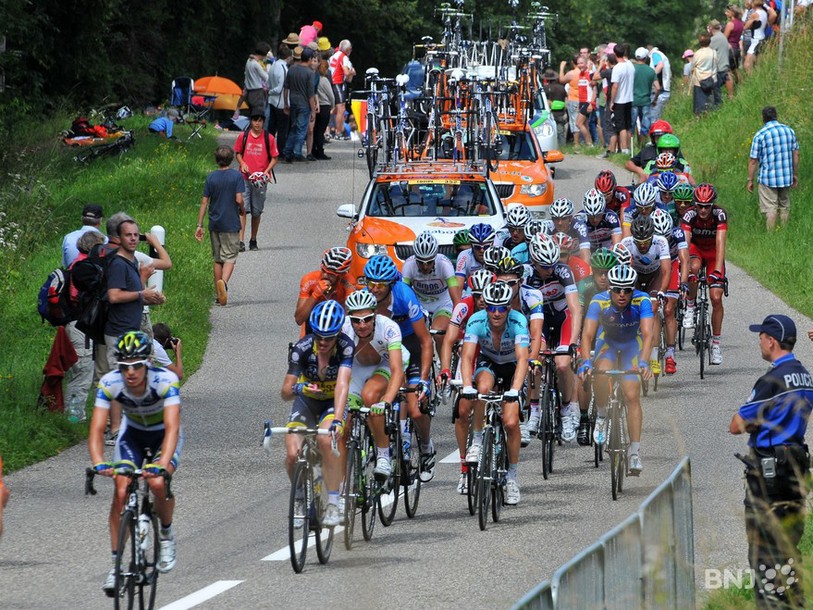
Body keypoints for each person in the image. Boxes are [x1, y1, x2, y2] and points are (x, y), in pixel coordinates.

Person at [730, 314, 813, 609]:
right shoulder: (804, 375)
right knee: (788, 543)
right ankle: (794, 601)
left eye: (761, 337)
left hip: (768, 474)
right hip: (797, 468)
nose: (759, 342)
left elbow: (736, 424)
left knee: (764, 549)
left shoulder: (772, 380)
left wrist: (756, 422)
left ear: (771, 341)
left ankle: (771, 603)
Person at [90, 331, 182, 595]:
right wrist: (98, 462)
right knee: (120, 492)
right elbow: (97, 428)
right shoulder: (110, 382)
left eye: (137, 365)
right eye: (124, 366)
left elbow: (173, 427)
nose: (130, 372)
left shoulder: (165, 380)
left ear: (148, 363)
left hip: (163, 436)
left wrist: (162, 463)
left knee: (156, 482)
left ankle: (166, 534)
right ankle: (116, 566)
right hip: (132, 436)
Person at [363, 255, 436, 481]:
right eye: (370, 283)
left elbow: (426, 341)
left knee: (416, 408)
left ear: (391, 284)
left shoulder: (404, 296)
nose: (374, 289)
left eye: (380, 285)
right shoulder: (364, 299)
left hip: (411, 344)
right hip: (384, 348)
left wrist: (423, 379)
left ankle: (426, 446)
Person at [281, 301, 351, 528]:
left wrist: (338, 420)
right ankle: (300, 497)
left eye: (328, 338)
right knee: (292, 454)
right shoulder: (301, 348)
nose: (322, 342)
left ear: (337, 334)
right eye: (318, 336)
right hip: (307, 401)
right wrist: (299, 388)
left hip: (331, 402)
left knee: (326, 440)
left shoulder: (346, 347)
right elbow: (285, 392)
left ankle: (333, 501)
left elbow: (342, 385)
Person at [579, 265, 654, 474]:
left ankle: (634, 452)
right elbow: (587, 335)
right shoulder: (599, 301)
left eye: (627, 290)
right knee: (601, 372)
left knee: (632, 395)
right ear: (609, 289)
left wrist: (644, 362)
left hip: (631, 345)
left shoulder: (642, 300)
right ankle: (602, 415)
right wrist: (586, 362)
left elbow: (648, 334)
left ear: (633, 289)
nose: (622, 294)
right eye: (617, 289)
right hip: (608, 344)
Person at [460, 281, 530, 505]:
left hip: (512, 367)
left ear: (509, 307)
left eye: (501, 308)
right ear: (485, 307)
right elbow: (467, 356)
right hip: (489, 363)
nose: (496, 313)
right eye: (491, 307)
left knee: (510, 422)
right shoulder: (476, 320)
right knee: (481, 390)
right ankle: (477, 441)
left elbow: (523, 359)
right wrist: (466, 386)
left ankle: (512, 477)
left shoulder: (518, 322)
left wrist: (515, 390)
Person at [104, 220, 166, 440]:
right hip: (117, 331)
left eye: (135, 235)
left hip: (132, 330)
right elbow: (114, 296)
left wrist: (151, 297)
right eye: (127, 235)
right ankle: (114, 430)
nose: (132, 239)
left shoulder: (132, 261)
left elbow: (135, 294)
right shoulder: (118, 263)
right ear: (119, 238)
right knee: (118, 382)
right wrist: (142, 294)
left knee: (134, 380)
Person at [439, 269, 494, 493]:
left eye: (484, 295)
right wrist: (445, 369)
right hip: (469, 355)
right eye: (477, 295)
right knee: (463, 410)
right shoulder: (463, 306)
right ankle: (464, 469)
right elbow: (448, 340)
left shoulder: (499, 307)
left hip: (491, 355)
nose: (481, 300)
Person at [341, 290, 406, 480]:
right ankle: (343, 482)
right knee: (343, 424)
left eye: (367, 319)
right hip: (357, 368)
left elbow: (397, 370)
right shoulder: (343, 329)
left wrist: (386, 401)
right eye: (356, 320)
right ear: (349, 318)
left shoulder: (389, 328)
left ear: (375, 315)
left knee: (370, 397)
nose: (362, 325)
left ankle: (383, 456)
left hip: (385, 364)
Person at [525, 234, 582, 442]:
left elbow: (575, 309)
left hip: (562, 319)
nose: (549, 270)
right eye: (544, 267)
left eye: (552, 265)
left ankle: (566, 410)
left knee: (563, 364)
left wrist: (573, 342)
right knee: (535, 361)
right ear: (534, 261)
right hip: (538, 321)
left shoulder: (563, 271)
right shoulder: (526, 273)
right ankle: (534, 411)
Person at [680, 183, 728, 365]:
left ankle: (716, 345)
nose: (703, 210)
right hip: (696, 249)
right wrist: (684, 273)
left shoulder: (720, 214)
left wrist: (717, 271)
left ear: (712, 205)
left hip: (713, 252)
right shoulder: (689, 215)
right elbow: (685, 245)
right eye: (699, 206)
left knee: (716, 297)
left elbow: (721, 242)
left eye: (707, 206)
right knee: (692, 267)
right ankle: (690, 306)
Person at [196, 145, 245, 305]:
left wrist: (199, 225)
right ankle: (223, 283)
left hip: (215, 223)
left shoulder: (211, 177)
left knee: (218, 259)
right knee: (230, 257)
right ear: (231, 159)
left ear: (216, 160)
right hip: (230, 223)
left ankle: (218, 295)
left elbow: (204, 202)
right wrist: (242, 208)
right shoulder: (236, 176)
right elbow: (239, 199)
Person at [402, 231, 462, 354]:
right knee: (416, 334)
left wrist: (458, 322)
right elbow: (403, 295)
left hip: (443, 304)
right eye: (420, 262)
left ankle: (443, 363)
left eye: (429, 262)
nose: (425, 267)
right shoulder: (408, 265)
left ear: (435, 257)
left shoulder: (444, 264)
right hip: (419, 305)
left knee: (439, 332)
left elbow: (456, 299)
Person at [748, 106, 800, 231]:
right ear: (776, 116)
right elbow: (796, 154)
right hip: (786, 177)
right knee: (784, 205)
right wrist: (795, 174)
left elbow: (753, 160)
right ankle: (784, 232)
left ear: (763, 118)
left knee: (770, 207)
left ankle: (771, 235)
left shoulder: (760, 135)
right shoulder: (789, 131)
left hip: (768, 178)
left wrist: (750, 180)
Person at [234, 113, 279, 251]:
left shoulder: (269, 138)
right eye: (255, 120)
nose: (257, 123)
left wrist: (267, 171)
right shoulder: (243, 136)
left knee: (256, 212)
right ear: (251, 121)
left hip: (260, 181)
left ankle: (253, 239)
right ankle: (240, 241)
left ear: (263, 122)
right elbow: (238, 153)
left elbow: (274, 157)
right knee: (242, 209)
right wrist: (242, 163)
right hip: (244, 177)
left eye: (260, 121)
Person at [295, 247, 354, 333]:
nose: (325, 275)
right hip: (313, 327)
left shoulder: (348, 282)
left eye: (330, 274)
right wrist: (315, 295)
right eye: (323, 270)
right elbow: (299, 319)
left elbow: (351, 316)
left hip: (338, 325)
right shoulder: (309, 280)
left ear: (341, 274)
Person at [283, 47, 318, 162]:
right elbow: (310, 94)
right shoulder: (310, 73)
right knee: (301, 129)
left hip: (293, 101)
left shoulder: (292, 69)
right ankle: (296, 152)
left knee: (293, 127)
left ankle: (287, 151)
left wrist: (285, 102)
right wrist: (313, 110)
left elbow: (286, 87)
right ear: (309, 59)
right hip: (304, 103)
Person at [559, 54, 594, 149]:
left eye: (582, 63)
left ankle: (579, 143)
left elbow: (561, 80)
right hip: (581, 100)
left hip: (577, 100)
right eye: (579, 63)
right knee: (584, 123)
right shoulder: (581, 73)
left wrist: (561, 67)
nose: (580, 65)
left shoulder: (574, 73)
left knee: (576, 122)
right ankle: (588, 144)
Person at [609, 43, 635, 154]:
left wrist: (612, 101)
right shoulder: (630, 65)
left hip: (620, 100)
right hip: (629, 98)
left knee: (621, 126)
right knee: (628, 125)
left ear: (615, 54)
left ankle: (624, 149)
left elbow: (615, 86)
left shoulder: (617, 68)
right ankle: (628, 147)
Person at [267, 44, 293, 155]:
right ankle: (280, 151)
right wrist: (270, 92)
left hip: (272, 101)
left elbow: (268, 81)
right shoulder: (283, 68)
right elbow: (280, 87)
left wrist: (269, 91)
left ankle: (269, 149)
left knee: (272, 127)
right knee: (282, 129)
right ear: (288, 57)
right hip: (280, 102)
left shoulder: (273, 65)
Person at [631, 48, 659, 149]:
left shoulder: (632, 69)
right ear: (646, 58)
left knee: (631, 125)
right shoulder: (650, 71)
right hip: (645, 102)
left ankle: (630, 147)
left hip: (633, 101)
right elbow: (658, 88)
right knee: (645, 126)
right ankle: (643, 147)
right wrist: (654, 100)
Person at [62, 204, 105, 268]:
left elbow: (66, 265)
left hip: (73, 273)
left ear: (82, 218)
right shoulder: (105, 240)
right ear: (101, 220)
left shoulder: (68, 238)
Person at [329, 40, 355, 140]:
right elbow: (346, 73)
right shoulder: (344, 57)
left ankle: (332, 128)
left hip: (332, 81)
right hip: (338, 83)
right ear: (348, 49)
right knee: (341, 108)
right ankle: (338, 132)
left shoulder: (334, 56)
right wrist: (352, 72)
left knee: (337, 108)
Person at [690, 33, 719, 116]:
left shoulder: (697, 53)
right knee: (710, 102)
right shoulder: (713, 52)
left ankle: (699, 117)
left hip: (699, 81)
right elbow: (716, 63)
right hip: (711, 80)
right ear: (709, 42)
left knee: (699, 105)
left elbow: (692, 67)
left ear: (700, 42)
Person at [241, 42, 271, 118]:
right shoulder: (256, 65)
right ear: (263, 54)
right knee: (258, 117)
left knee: (252, 116)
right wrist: (267, 69)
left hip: (249, 92)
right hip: (257, 93)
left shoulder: (249, 60)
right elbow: (266, 78)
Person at [312, 59, 335, 160]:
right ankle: (320, 150)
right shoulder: (324, 80)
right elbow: (331, 95)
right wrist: (333, 106)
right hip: (324, 105)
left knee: (315, 129)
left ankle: (313, 149)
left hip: (315, 105)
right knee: (321, 130)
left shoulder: (314, 79)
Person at [542, 69, 568, 149]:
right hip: (560, 113)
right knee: (561, 132)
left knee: (548, 132)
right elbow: (566, 100)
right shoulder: (562, 88)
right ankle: (562, 147)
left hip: (549, 113)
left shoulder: (544, 89)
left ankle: (550, 147)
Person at [708, 20, 732, 105]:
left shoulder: (714, 39)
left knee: (716, 90)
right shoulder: (723, 36)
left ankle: (718, 106)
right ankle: (730, 98)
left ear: (711, 28)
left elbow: (707, 51)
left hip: (718, 67)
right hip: (725, 65)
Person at [648, 45, 673, 122]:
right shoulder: (663, 55)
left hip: (660, 92)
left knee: (653, 119)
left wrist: (651, 77)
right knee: (659, 118)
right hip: (665, 89)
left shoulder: (655, 54)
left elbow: (660, 65)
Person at [743, 0, 769, 73]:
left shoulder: (755, 14)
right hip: (761, 37)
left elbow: (745, 26)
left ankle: (751, 78)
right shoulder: (764, 12)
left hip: (756, 40)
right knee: (757, 64)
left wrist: (747, 10)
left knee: (747, 64)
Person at [724, 5, 744, 85]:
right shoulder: (741, 23)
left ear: (732, 13)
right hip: (737, 49)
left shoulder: (730, 24)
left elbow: (724, 38)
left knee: (728, 71)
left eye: (727, 12)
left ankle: (731, 91)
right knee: (735, 69)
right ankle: (742, 85)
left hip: (730, 49)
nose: (726, 13)